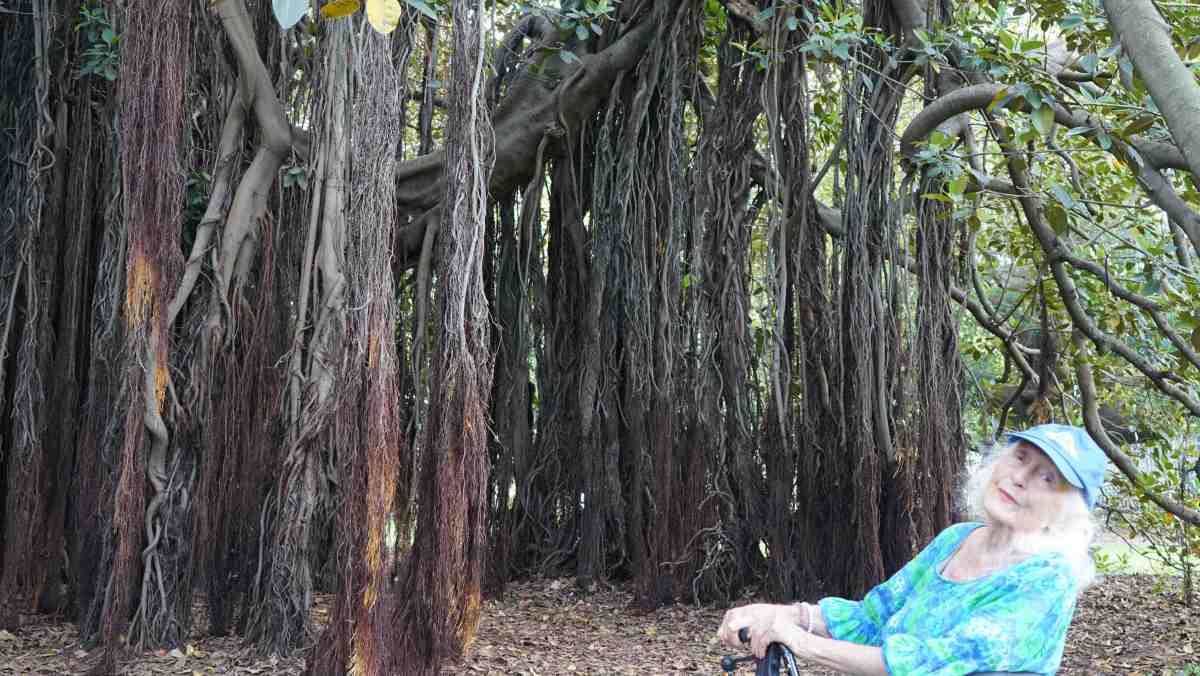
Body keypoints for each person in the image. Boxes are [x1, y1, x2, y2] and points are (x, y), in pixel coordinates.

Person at [717, 423, 1108, 675]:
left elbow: (933, 661)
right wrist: (785, 614)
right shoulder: (956, 539)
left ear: (1067, 511)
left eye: (1047, 478)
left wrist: (801, 642)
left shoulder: (1047, 578)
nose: (1020, 478)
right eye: (1020, 458)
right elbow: (873, 617)